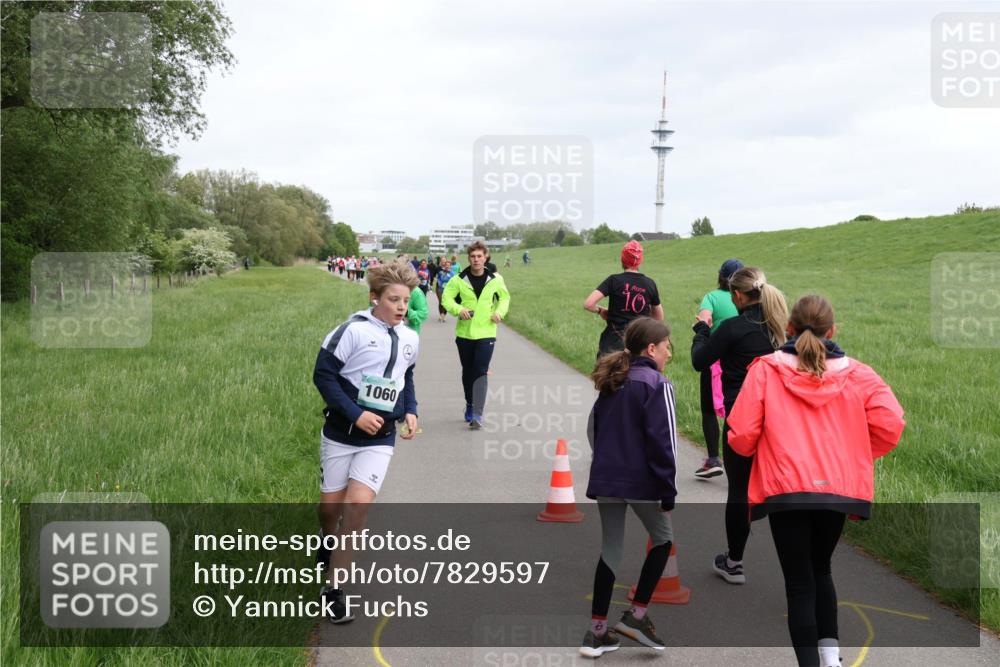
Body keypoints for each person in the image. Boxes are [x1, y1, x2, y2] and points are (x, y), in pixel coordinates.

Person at [727, 294, 905, 667]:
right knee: (821, 568)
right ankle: (830, 659)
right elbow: (891, 425)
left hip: (786, 487)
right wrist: (853, 453)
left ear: (788, 329)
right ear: (833, 330)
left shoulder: (766, 369)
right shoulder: (859, 373)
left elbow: (742, 435)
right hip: (837, 488)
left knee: (799, 583)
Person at [312, 260, 421, 624]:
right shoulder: (351, 332)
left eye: (406, 299)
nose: (402, 307)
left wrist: (410, 409)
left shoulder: (410, 337)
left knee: (356, 509)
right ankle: (326, 542)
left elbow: (406, 377)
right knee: (331, 510)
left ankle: (334, 591)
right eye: (394, 299)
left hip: (381, 438)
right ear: (375, 298)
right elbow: (323, 376)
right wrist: (355, 413)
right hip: (341, 434)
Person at [580, 317, 678, 657]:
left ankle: (595, 634)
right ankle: (636, 616)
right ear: (651, 348)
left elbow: (592, 431)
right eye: (667, 348)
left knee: (610, 550)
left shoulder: (613, 381)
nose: (668, 354)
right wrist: (669, 490)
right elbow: (664, 443)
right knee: (663, 540)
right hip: (643, 482)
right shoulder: (657, 384)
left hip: (606, 478)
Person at [691, 266, 788, 585]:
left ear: (736, 296)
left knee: (740, 490)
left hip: (741, 417)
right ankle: (794, 566)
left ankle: (734, 562)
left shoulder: (732, 328)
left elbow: (700, 361)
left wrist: (701, 331)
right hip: (776, 419)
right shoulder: (778, 330)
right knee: (777, 492)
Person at [441, 241, 511, 430]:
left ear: (485, 257)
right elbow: (446, 298)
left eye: (479, 256)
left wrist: (499, 313)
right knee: (468, 371)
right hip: (465, 333)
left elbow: (504, 298)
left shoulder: (495, 279)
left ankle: (477, 413)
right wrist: (458, 309)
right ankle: (470, 404)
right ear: (469, 258)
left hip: (487, 332)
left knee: (480, 371)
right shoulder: (458, 279)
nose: (476, 260)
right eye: (473, 256)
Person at [693, 259, 744, 479]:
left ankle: (713, 459)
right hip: (741, 360)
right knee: (738, 409)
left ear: (720, 276)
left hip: (715, 360)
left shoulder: (711, 297)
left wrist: (702, 328)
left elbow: (705, 319)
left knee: (708, 409)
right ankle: (740, 460)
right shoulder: (747, 299)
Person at [583, 240, 664, 358]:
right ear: (640, 261)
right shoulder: (650, 284)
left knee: (606, 375)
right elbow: (659, 318)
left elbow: (588, 304)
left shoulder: (613, 280)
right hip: (638, 345)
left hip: (612, 345)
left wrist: (601, 311)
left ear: (622, 259)